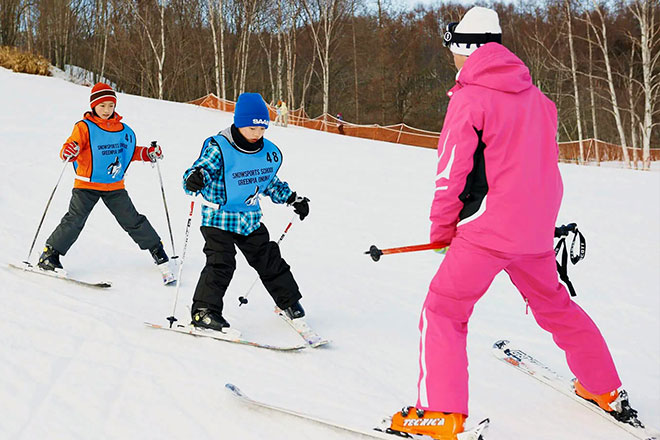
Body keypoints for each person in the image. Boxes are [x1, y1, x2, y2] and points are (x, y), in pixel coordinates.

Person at [385, 7, 638, 439]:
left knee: (443, 311)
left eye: (453, 49)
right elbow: (540, 170)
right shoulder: (540, 100)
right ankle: (605, 389)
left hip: (486, 232)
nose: (451, 58)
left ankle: (439, 415)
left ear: (467, 48)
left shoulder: (470, 98)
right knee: (556, 306)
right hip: (534, 232)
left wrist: (442, 227)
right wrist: (540, 224)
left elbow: (451, 170)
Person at [182, 92, 310, 331]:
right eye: (252, 129)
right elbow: (200, 169)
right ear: (239, 123)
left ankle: (289, 302)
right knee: (221, 262)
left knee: (269, 258)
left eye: (262, 130)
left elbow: (268, 181)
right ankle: (203, 311)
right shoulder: (220, 147)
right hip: (218, 218)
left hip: (249, 218)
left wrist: (293, 199)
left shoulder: (265, 152)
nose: (257, 135)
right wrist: (194, 179)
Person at [37, 83, 174, 284]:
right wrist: (69, 151)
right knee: (75, 220)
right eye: (102, 106)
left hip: (114, 187)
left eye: (111, 105)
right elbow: (70, 146)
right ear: (93, 106)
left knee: (132, 220)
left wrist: (147, 153)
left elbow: (128, 151)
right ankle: (49, 255)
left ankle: (157, 250)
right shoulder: (84, 127)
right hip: (86, 185)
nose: (107, 110)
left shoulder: (122, 129)